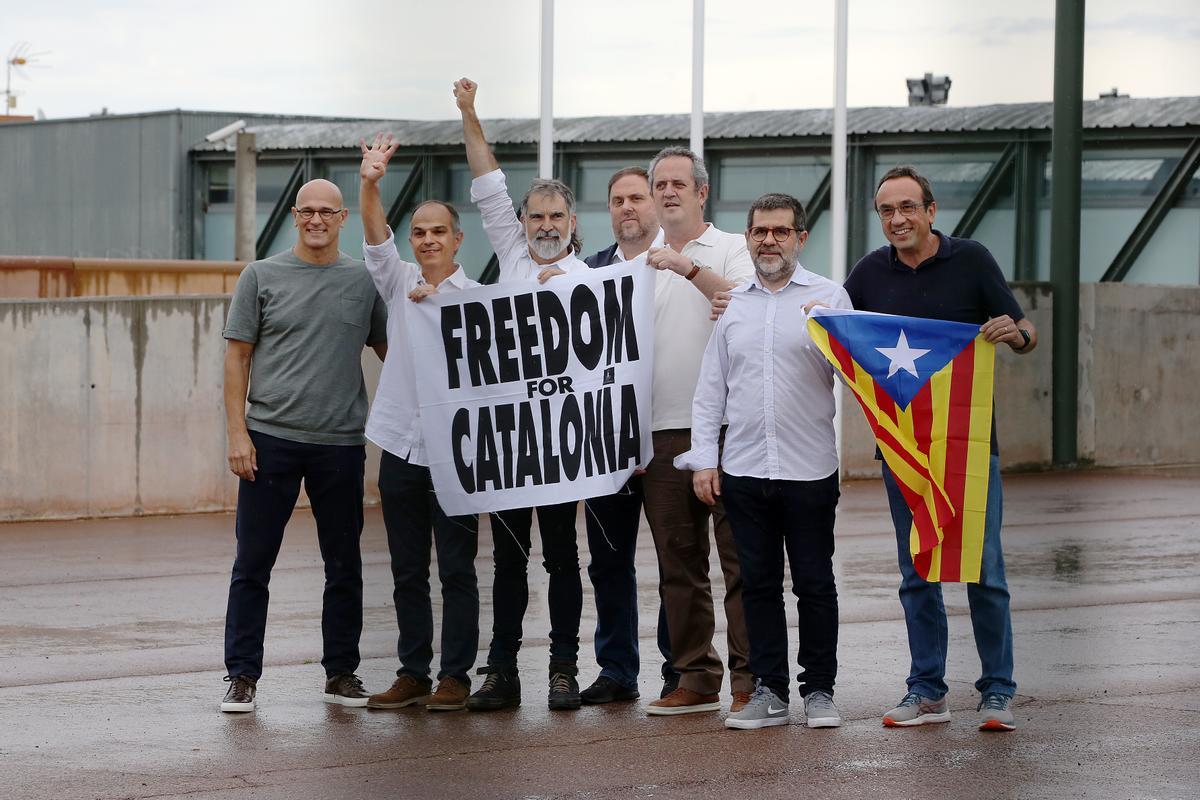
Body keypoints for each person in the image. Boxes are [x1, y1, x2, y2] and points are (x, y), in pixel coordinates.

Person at [844, 165, 1038, 733]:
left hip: (970, 446)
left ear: (931, 211)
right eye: (886, 211)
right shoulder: (867, 273)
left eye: (908, 207)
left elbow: (1026, 333)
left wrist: (1014, 334)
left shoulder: (972, 259)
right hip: (902, 449)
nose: (898, 219)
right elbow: (836, 325)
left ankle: (997, 692)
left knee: (984, 570)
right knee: (916, 570)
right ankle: (927, 690)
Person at [677, 193, 850, 730]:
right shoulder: (734, 304)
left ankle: (819, 691)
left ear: (800, 237)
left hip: (809, 470)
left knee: (815, 584)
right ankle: (769, 692)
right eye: (759, 232)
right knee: (757, 584)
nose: (768, 241)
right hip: (745, 469)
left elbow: (857, 377)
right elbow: (711, 389)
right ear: (748, 239)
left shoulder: (830, 297)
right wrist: (705, 459)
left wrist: (830, 334)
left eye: (780, 231)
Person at [220, 178, 387, 713]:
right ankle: (242, 675)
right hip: (270, 441)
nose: (316, 220)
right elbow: (236, 358)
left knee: (344, 565)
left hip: (340, 444)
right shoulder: (261, 276)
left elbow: (397, 354)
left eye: (327, 213)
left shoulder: (363, 283)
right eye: (307, 211)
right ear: (295, 215)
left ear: (343, 220)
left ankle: (341, 673)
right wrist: (237, 434)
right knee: (253, 563)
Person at [455, 77, 589, 711]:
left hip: (564, 441)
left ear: (572, 223)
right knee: (507, 564)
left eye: (554, 216)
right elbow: (487, 182)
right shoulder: (510, 256)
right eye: (534, 216)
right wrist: (468, 111)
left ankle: (563, 668)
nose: (543, 225)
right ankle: (501, 671)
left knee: (563, 560)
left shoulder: (599, 281)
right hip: (510, 442)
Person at [357, 133, 481, 713]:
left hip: (457, 454)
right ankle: (412, 671)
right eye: (420, 232)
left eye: (439, 231)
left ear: (458, 239)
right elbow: (374, 237)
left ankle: (455, 676)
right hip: (401, 450)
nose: (428, 240)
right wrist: (370, 182)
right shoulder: (399, 283)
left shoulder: (483, 300)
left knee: (456, 570)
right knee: (407, 570)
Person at [640, 146, 756, 716]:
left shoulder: (734, 248)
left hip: (728, 429)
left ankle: (752, 679)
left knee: (740, 561)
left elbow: (739, 303)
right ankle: (696, 676)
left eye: (677, 183)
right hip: (660, 433)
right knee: (678, 564)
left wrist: (687, 267)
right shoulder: (635, 263)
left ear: (701, 192)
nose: (667, 192)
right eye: (658, 184)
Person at [578, 166, 676, 704]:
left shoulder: (681, 266)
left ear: (656, 205)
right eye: (617, 199)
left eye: (637, 197)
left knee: (673, 562)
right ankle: (616, 670)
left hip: (665, 438)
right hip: (606, 444)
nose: (627, 207)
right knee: (608, 561)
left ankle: (678, 669)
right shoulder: (588, 272)